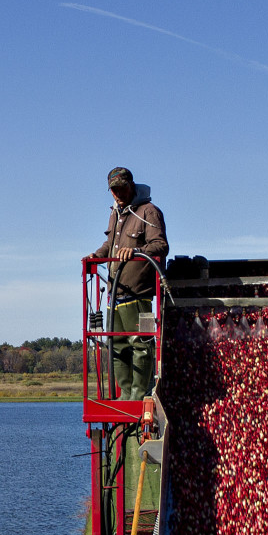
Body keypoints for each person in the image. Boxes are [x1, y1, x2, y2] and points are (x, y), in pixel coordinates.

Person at [89, 166, 168, 400]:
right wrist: (96, 255)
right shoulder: (116, 214)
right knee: (117, 346)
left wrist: (135, 251)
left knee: (140, 345)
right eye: (113, 190)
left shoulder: (149, 211)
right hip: (115, 292)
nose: (117, 194)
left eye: (121, 188)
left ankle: (138, 396)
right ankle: (125, 395)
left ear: (131, 185)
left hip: (139, 294)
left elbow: (161, 246)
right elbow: (111, 245)